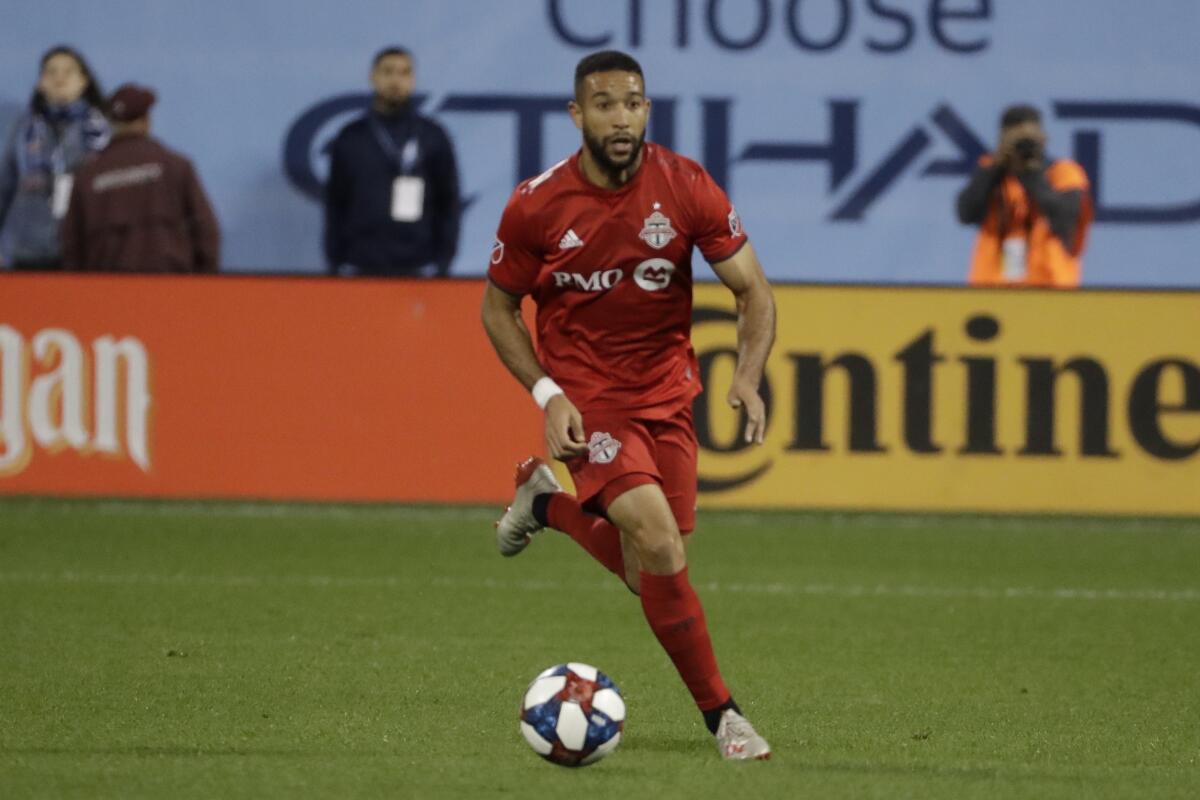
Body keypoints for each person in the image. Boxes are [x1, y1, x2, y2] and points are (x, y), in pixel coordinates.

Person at [480, 50, 777, 761]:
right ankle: (725, 719)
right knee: (660, 541)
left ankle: (544, 503)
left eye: (634, 102)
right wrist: (548, 393)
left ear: (648, 109)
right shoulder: (537, 203)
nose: (622, 117)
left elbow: (752, 291)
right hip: (591, 401)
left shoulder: (685, 186)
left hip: (668, 395)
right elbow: (497, 309)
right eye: (606, 103)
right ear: (577, 114)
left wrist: (747, 374)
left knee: (653, 570)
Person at [323, 46, 461, 277]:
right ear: (373, 77)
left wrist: (443, 261)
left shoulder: (432, 136)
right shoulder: (351, 137)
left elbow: (448, 202)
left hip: (420, 265)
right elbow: (335, 203)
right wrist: (335, 261)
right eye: (388, 71)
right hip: (359, 263)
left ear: (413, 79)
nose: (396, 80)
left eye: (404, 72)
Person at [60, 84, 220, 272]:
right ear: (146, 120)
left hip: (105, 291)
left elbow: (71, 247)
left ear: (111, 123)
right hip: (172, 289)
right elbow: (206, 233)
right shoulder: (175, 166)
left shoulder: (87, 176)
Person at [957, 104, 1093, 287]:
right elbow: (966, 213)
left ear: (1043, 137)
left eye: (1029, 138)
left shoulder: (1063, 173)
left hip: (1050, 288)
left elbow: (1066, 221)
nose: (1023, 146)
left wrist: (1031, 172)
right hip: (992, 288)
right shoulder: (991, 171)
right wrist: (996, 166)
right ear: (1002, 139)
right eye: (1016, 138)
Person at [0, 45, 110, 270]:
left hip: (85, 248)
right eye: (51, 72)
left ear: (84, 81)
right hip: (26, 248)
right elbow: (5, 188)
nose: (59, 78)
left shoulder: (102, 133)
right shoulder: (23, 131)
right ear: (41, 83)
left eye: (68, 71)